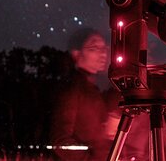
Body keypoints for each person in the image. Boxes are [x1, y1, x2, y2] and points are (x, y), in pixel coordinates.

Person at [50, 27, 117, 161]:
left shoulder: (92, 89)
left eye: (104, 48)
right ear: (76, 53)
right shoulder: (72, 90)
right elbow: (61, 142)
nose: (103, 54)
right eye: (94, 48)